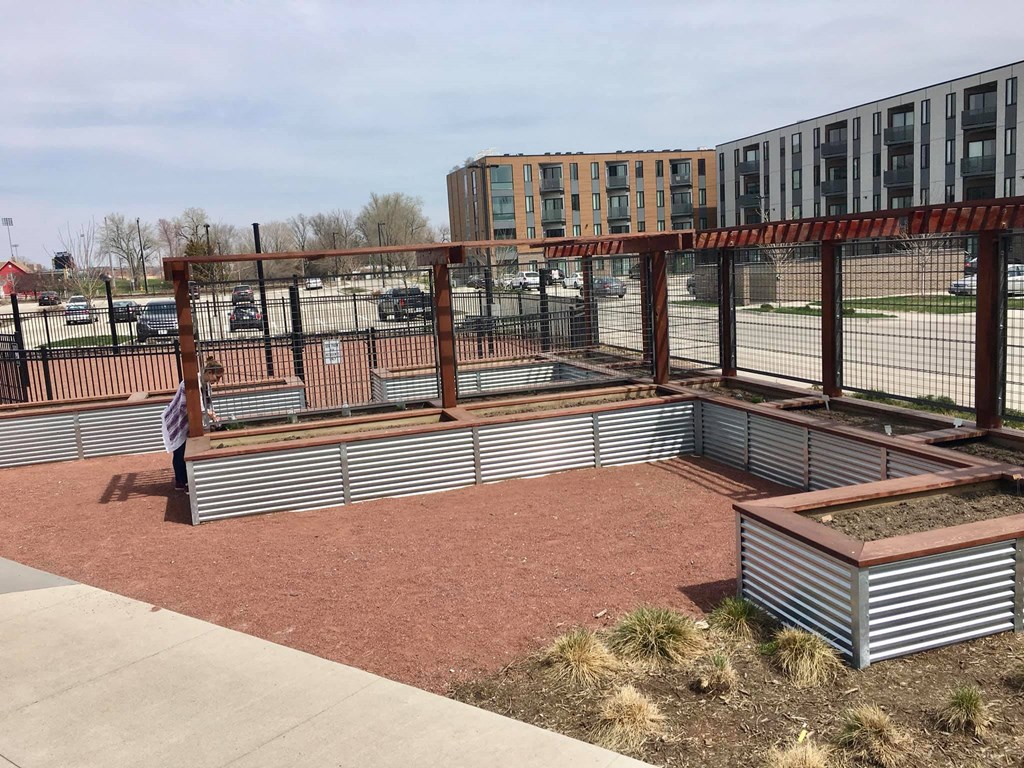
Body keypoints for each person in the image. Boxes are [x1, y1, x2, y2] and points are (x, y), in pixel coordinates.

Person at [162, 356, 225, 492]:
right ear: (209, 373)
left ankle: (182, 480)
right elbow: (194, 405)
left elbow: (207, 404)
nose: (217, 381)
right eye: (217, 377)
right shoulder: (191, 382)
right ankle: (182, 481)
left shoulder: (206, 385)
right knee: (179, 451)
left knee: (183, 449)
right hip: (177, 420)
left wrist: (211, 413)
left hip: (188, 420)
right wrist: (209, 414)